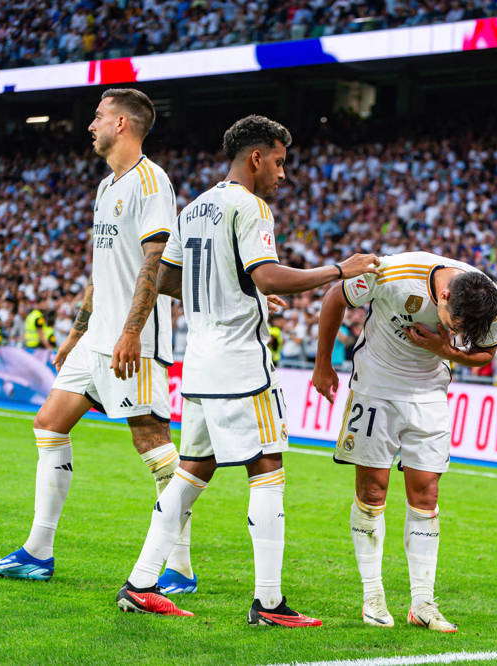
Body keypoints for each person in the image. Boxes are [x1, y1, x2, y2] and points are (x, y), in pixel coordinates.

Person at [116, 114, 380, 625]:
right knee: (268, 471)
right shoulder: (250, 205)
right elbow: (269, 274)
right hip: (241, 364)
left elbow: (169, 279)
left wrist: (237, 289)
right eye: (279, 162)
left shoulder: (194, 208)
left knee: (192, 472)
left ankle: (140, 583)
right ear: (255, 158)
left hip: (200, 365)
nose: (283, 174)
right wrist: (337, 270)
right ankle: (270, 602)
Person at [0, 89, 199, 593]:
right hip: (95, 339)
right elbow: (104, 269)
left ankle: (181, 566)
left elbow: (153, 263)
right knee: (49, 424)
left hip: (132, 342)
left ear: (122, 124)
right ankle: (38, 552)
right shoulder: (107, 187)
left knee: (154, 446)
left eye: (98, 117)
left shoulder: (151, 182)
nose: (90, 125)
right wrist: (76, 332)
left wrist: (129, 331)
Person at [312, 251, 497, 632]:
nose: (460, 334)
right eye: (455, 326)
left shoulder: (490, 302)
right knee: (373, 491)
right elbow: (335, 296)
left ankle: (422, 603)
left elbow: (484, 354)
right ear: (445, 297)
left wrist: (445, 350)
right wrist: (323, 364)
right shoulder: (393, 273)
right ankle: (373, 594)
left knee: (426, 495)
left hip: (430, 396)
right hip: (375, 388)